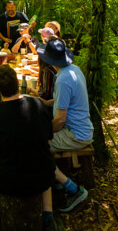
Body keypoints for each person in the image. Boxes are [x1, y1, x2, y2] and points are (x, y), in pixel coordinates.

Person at [0, 65, 56, 231]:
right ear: (18, 83)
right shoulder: (38, 105)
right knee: (43, 157)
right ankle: (48, 216)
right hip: (42, 175)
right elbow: (47, 138)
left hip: (7, 181)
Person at [40, 38, 92, 212]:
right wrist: (46, 103)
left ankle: (73, 189)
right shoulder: (73, 70)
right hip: (80, 128)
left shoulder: (62, 79)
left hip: (75, 133)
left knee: (38, 149)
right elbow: (65, 101)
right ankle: (58, 184)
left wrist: (46, 133)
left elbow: (60, 120)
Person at [33, 28, 60, 105]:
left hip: (50, 107)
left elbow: (45, 95)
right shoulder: (51, 67)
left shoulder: (47, 71)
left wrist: (32, 90)